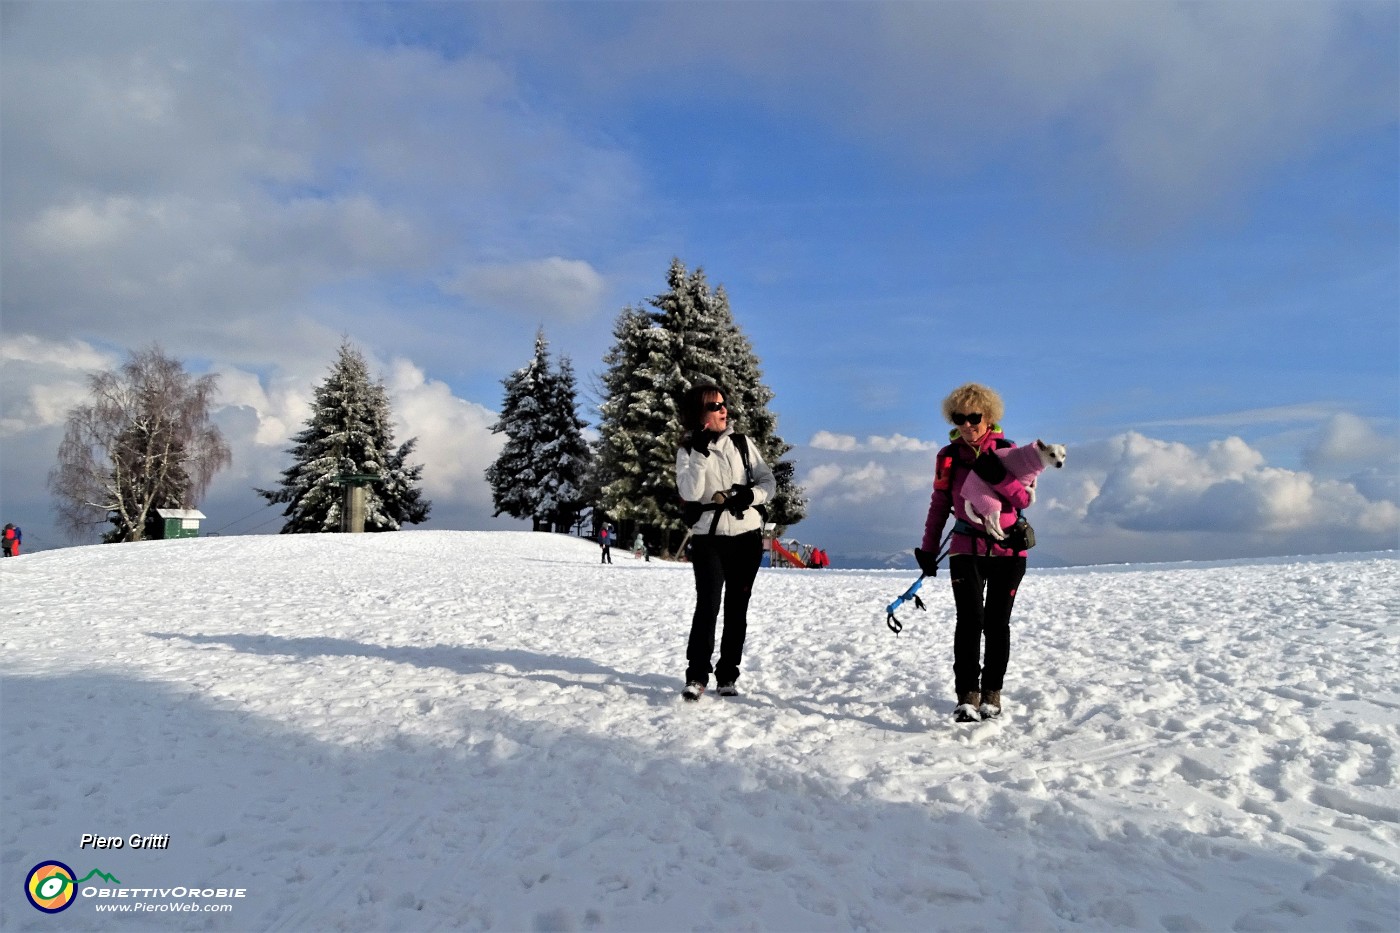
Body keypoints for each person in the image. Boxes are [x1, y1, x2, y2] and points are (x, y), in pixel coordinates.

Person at [915, 383, 1033, 723]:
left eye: (974, 417)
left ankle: (991, 693)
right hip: (965, 549)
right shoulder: (948, 456)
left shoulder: (1010, 451)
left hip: (1009, 550)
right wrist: (928, 548)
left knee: (997, 623)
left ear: (990, 416)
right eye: (959, 418)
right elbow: (939, 504)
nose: (967, 424)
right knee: (969, 621)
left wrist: (999, 478)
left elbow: (1022, 500)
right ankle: (967, 694)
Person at [675, 383, 776, 701]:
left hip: (746, 536)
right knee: (707, 605)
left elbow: (768, 482)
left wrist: (750, 495)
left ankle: (728, 674)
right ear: (699, 412)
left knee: (737, 608)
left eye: (724, 403)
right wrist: (701, 453)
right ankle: (696, 675)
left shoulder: (743, 444)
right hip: (708, 537)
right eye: (715, 405)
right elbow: (690, 493)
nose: (723, 409)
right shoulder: (687, 450)